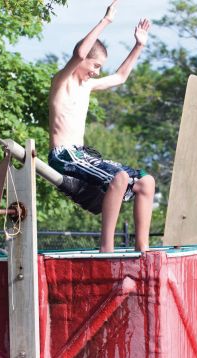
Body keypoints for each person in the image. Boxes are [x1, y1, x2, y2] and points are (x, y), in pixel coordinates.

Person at [48, 0, 155, 253]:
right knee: (119, 178)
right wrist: (105, 21)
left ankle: (143, 249)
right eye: (95, 66)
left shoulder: (87, 87)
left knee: (146, 182)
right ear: (85, 62)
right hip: (64, 155)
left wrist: (138, 45)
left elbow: (120, 77)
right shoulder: (61, 83)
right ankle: (106, 250)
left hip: (82, 154)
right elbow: (80, 54)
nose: (96, 72)